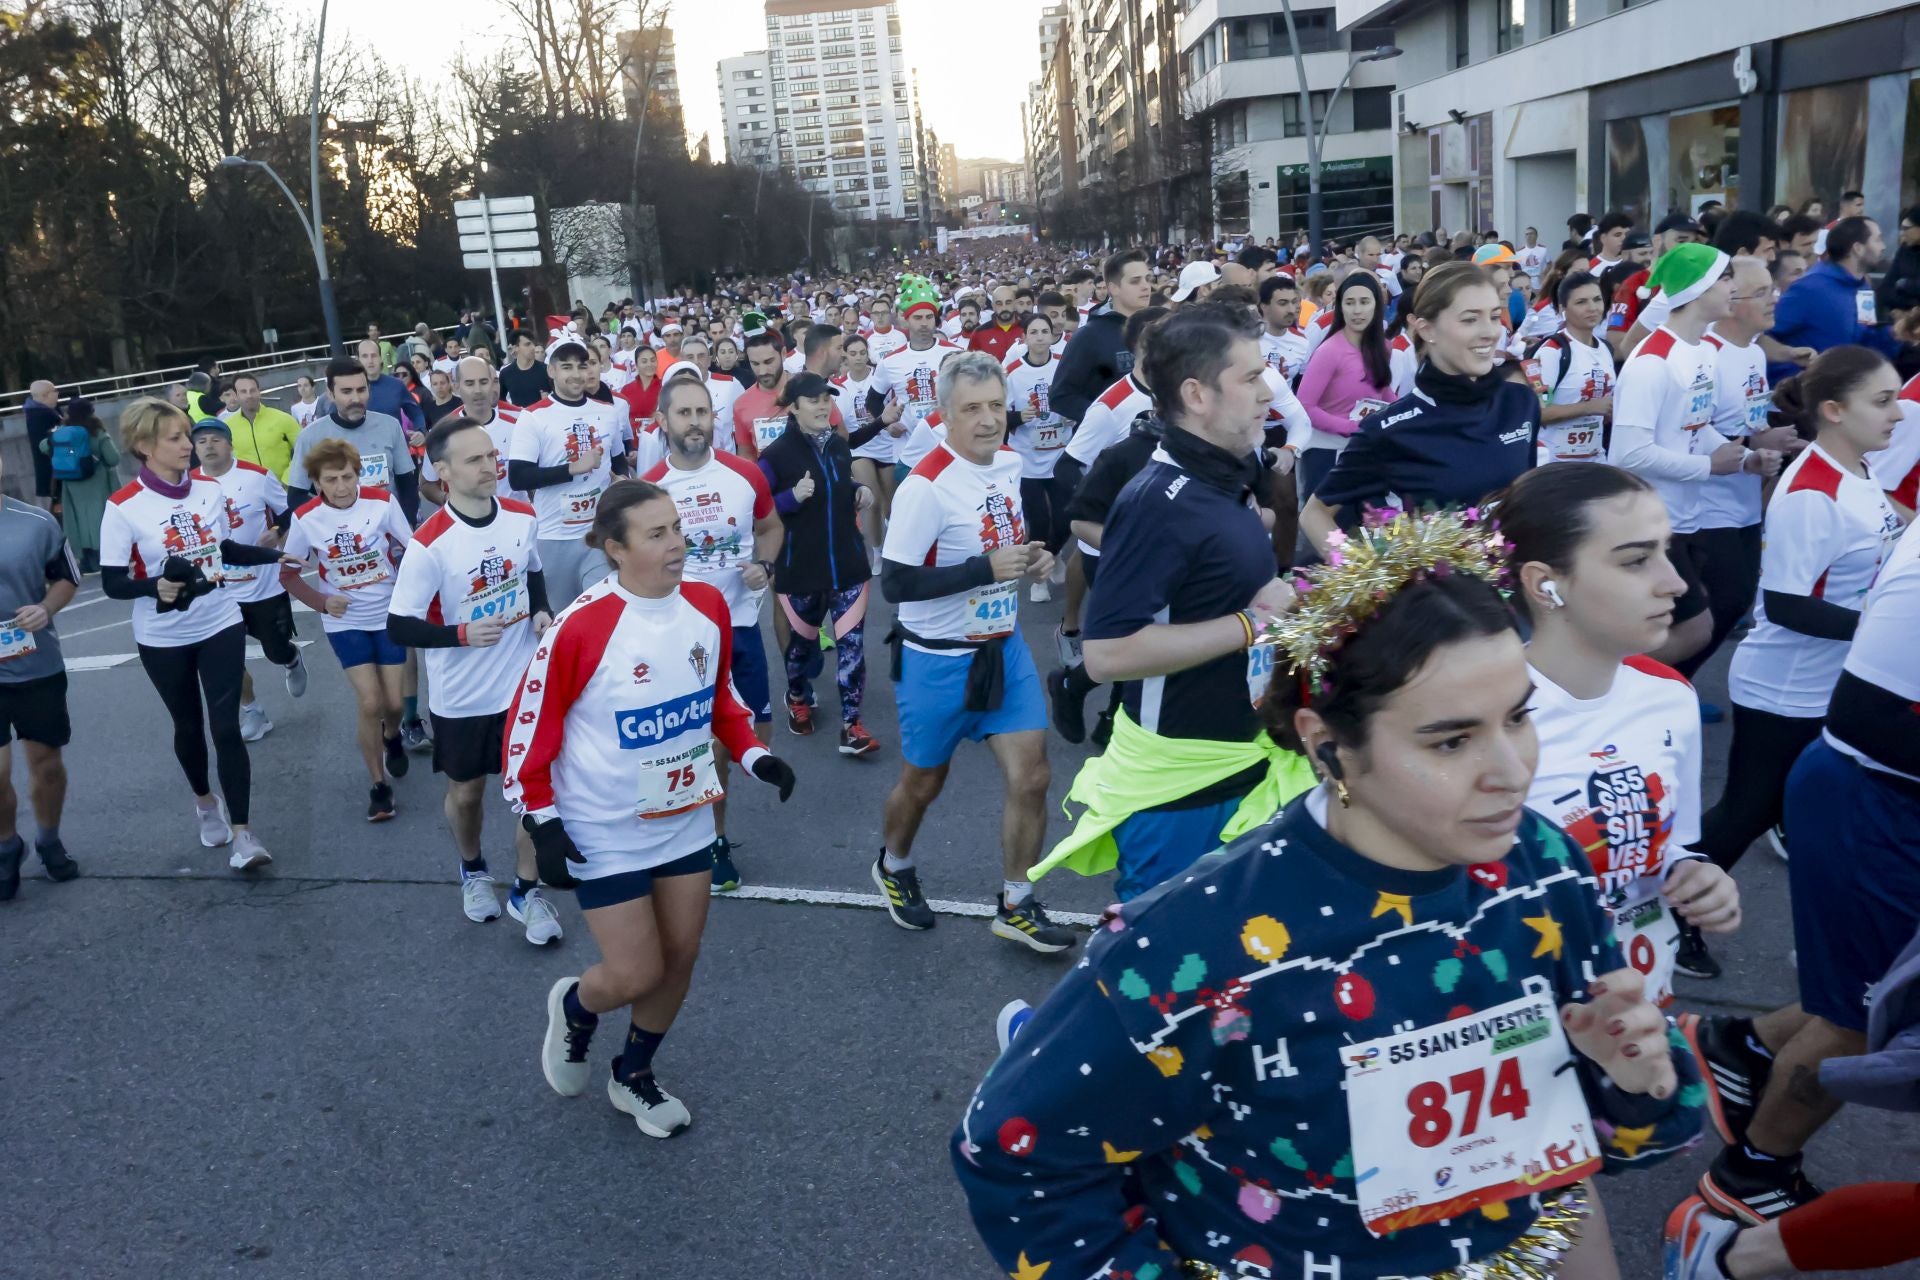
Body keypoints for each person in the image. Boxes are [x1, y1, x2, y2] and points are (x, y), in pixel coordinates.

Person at [953, 509, 1705, 1280]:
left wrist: (1637, 1080)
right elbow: (1015, 1155)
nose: (1512, 770)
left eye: (1518, 717)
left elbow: (1619, 1123)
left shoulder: (1541, 861)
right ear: (1326, 744)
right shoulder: (1186, 944)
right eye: (1450, 740)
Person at [504, 480, 796, 1140]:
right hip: (602, 829)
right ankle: (577, 1007)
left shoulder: (706, 606)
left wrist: (754, 757)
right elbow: (530, 732)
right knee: (637, 970)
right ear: (615, 548)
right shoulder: (582, 625)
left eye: (677, 529)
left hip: (685, 817)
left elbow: (719, 700)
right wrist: (541, 820)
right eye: (657, 534)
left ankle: (633, 1075)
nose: (677, 544)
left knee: (681, 958)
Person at [1685, 515, 1920, 1230]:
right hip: (1873, 796)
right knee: (1862, 1019)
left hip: (1880, 793)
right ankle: (1751, 1174)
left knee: (1880, 997)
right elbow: (1871, 715)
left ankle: (1741, 1044)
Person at [1037, 304, 1310, 901]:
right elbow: (1108, 654)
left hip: (1242, 756)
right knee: (1160, 976)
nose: (1270, 393)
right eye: (1251, 378)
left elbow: (1233, 589)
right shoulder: (1158, 502)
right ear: (1197, 394)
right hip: (1180, 785)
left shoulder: (1227, 474)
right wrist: (1248, 624)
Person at [1686, 346, 1904, 975]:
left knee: (1819, 814)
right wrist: (1879, 630)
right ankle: (1667, 912)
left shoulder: (1862, 469)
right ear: (1834, 411)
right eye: (1882, 402)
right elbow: (1783, 604)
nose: (1897, 414)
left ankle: (1832, 944)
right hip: (1784, 691)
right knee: (1746, 813)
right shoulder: (1811, 491)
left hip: (1835, 685)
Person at [1497, 462, 1740, 1012]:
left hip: (1645, 1016)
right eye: (1635, 560)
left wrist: (1692, 873)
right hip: (1521, 1027)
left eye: (1667, 551)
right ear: (1544, 584)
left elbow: (1669, 842)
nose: (1676, 582)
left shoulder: (1670, 697)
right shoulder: (1483, 721)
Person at [876, 350, 1071, 951]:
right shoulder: (925, 486)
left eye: (995, 405)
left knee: (1033, 776)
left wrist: (1033, 556)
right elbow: (896, 585)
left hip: (1001, 647)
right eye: (972, 409)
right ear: (944, 414)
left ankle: (1017, 901)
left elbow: (1007, 545)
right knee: (924, 784)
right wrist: (980, 569)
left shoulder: (1009, 464)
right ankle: (894, 863)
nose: (988, 420)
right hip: (936, 660)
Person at [99, 399, 292, 870]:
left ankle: (244, 835)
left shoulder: (207, 488)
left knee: (225, 727)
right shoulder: (123, 507)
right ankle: (206, 801)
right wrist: (155, 586)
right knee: (187, 725)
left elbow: (222, 547)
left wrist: (274, 557)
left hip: (220, 620)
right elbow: (112, 581)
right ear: (144, 447)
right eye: (176, 438)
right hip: (163, 636)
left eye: (188, 435)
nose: (189, 445)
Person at [388, 417, 559, 943]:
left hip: (523, 683)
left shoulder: (523, 516)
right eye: (474, 460)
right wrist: (460, 634)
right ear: (442, 473)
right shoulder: (429, 544)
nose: (490, 466)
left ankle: (527, 892)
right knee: (467, 795)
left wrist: (541, 609)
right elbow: (399, 624)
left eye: (491, 456)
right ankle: (473, 868)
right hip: (462, 695)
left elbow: (531, 571)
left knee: (535, 793)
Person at [1608, 244, 1783, 672]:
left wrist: (1743, 460)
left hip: (1688, 515)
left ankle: (1645, 690)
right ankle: (1615, 685)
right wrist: (1709, 466)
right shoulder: (1652, 361)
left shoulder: (1703, 349)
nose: (1732, 288)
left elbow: (1696, 424)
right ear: (1699, 287)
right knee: (1693, 626)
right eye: (1725, 279)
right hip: (1651, 520)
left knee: (1695, 623)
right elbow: (1627, 453)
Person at [640, 375, 784, 891]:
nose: (695, 422)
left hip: (741, 627)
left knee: (756, 738)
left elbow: (770, 528)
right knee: (705, 744)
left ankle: (704, 827)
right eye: (684, 413)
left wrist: (763, 568)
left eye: (703, 412)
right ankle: (711, 840)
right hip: (685, 639)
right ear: (662, 422)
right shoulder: (653, 489)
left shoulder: (746, 475)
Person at [1303, 262, 1541, 550]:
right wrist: (1368, 579)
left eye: (1493, 316)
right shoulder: (1388, 431)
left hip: (1516, 589)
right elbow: (1315, 514)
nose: (1489, 332)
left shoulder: (1520, 402)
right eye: (1469, 319)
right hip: (1439, 592)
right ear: (1427, 329)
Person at [1681, 258, 1806, 685]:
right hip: (1708, 505)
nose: (1776, 299)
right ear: (1732, 302)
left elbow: (1746, 416)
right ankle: (1667, 680)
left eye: (1774, 289)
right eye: (1763, 292)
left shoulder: (1752, 351)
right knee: (1724, 603)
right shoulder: (1707, 354)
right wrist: (1755, 445)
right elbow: (1693, 428)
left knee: (1735, 603)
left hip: (1747, 499)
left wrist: (1779, 430)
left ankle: (1678, 683)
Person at [279, 437, 416, 821]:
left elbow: (415, 550)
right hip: (345, 620)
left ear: (358, 475)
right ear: (316, 482)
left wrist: (409, 593)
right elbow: (288, 574)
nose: (341, 487)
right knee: (370, 702)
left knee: (393, 704)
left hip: (388, 613)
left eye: (347, 477)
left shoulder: (382, 503)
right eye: (331, 479)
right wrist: (323, 602)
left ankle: (393, 737)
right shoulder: (306, 517)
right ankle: (379, 786)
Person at [757, 372, 877, 756]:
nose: (824, 405)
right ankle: (797, 697)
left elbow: (841, 486)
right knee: (801, 650)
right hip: (801, 568)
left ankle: (851, 725)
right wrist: (790, 497)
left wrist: (859, 491)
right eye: (814, 400)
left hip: (848, 564)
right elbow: (756, 511)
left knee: (852, 647)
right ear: (793, 408)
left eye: (827, 398)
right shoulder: (775, 456)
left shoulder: (840, 447)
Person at [188, 417, 306, 743]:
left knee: (274, 650)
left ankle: (292, 658)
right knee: (227, 660)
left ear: (228, 443)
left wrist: (277, 532)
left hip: (263, 584)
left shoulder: (256, 476)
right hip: (219, 588)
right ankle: (253, 712)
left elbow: (289, 511)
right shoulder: (188, 485)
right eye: (201, 441)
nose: (209, 446)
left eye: (215, 439)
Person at [0, 448, 81, 899]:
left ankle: (49, 840)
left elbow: (67, 577)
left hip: (36, 665)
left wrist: (46, 607)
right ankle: (6, 845)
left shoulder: (36, 522)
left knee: (46, 766)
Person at [506, 338, 630, 608]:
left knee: (602, 609)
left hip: (598, 532)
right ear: (551, 371)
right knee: (562, 618)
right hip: (554, 535)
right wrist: (571, 469)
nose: (576, 374)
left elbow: (618, 462)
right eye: (566, 367)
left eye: (581, 366)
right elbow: (518, 477)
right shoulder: (533, 416)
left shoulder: (608, 412)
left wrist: (623, 482)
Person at [1291, 272, 1396, 505]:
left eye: (1364, 302)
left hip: (1365, 449)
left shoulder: (1383, 346)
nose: (1357, 311)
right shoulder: (1330, 351)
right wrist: (1352, 427)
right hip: (1326, 453)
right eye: (1349, 303)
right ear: (1340, 307)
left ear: (1377, 306)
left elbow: (1383, 391)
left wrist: (1403, 414)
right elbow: (1305, 406)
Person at [287, 358, 420, 521]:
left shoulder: (390, 426)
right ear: (330, 394)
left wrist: (405, 527)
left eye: (361, 390)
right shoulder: (310, 437)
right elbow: (296, 497)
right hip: (338, 537)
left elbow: (408, 487)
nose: (356, 399)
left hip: (387, 533)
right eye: (347, 391)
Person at [1770, 217, 1907, 370]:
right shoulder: (1810, 288)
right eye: (1878, 239)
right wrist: (1797, 378)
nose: (1883, 246)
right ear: (1858, 248)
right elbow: (1764, 337)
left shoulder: (1864, 289)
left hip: (1848, 387)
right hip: (1809, 389)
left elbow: (1866, 342)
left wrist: (1894, 334)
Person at [1003, 313, 1070, 603]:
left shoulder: (1064, 366)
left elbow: (1081, 400)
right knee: (1038, 520)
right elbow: (999, 414)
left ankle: (1052, 554)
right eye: (1034, 332)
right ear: (1025, 338)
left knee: (1066, 515)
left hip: (1061, 452)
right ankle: (1039, 581)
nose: (1041, 336)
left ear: (1053, 336)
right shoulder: (1013, 371)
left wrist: (1072, 414)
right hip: (1027, 457)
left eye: (1046, 331)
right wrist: (1020, 416)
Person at [1050, 248, 1153, 426]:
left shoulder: (1159, 329)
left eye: (1148, 279)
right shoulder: (1089, 336)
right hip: (1109, 448)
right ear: (1113, 288)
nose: (1145, 286)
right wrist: (1109, 419)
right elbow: (1060, 397)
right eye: (1135, 281)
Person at [1530, 271, 1617, 464]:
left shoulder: (1605, 349)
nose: (1592, 308)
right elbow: (1540, 411)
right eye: (1581, 302)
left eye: (1597, 299)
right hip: (1555, 466)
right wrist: (1589, 407)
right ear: (1563, 308)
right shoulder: (1552, 352)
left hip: (1596, 461)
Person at [420, 356, 523, 507]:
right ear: (456, 387)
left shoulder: (519, 425)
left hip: (516, 521)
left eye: (483, 382)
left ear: (493, 384)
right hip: (468, 524)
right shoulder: (442, 432)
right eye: (469, 383)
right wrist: (447, 499)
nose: (478, 390)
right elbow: (427, 484)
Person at [39, 397, 117, 574]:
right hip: (98, 484)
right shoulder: (97, 433)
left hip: (71, 484)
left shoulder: (62, 432)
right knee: (99, 519)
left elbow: (43, 446)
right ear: (92, 412)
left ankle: (87, 561)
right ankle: (103, 559)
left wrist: (64, 450)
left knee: (78, 522)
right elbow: (113, 458)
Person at [23, 380, 60, 510]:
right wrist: (72, 452)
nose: (57, 394)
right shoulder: (43, 416)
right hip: (54, 473)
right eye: (54, 391)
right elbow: (45, 446)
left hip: (51, 472)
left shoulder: (37, 412)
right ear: (44, 395)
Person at [498, 329, 553, 408]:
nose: (533, 347)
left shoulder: (546, 370)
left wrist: (548, 400)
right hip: (519, 418)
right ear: (516, 348)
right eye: (527, 344)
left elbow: (559, 397)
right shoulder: (506, 373)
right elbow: (501, 402)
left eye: (533, 344)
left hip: (543, 417)